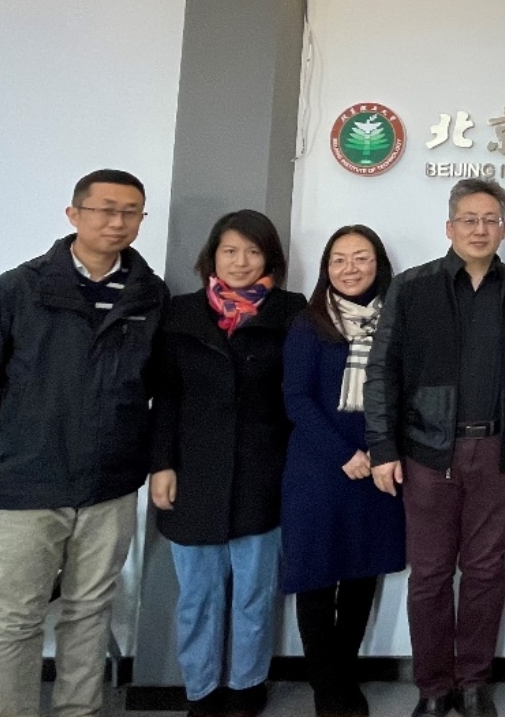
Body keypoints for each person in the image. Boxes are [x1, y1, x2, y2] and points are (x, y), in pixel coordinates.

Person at [0, 169, 169, 717]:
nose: (118, 222)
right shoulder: (16, 288)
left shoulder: (150, 294)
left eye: (131, 212)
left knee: (89, 611)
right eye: (106, 209)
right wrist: (17, 442)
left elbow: (156, 384)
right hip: (26, 483)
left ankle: (79, 711)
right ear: (74, 214)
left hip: (109, 481)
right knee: (16, 619)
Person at [365, 178, 505, 717]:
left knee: (486, 571)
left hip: (498, 452)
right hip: (426, 451)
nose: (479, 229)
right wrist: (382, 446)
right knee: (430, 575)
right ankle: (434, 688)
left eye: (490, 220)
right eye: (469, 219)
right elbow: (382, 369)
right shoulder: (413, 287)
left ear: (503, 229)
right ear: (449, 227)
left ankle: (474, 683)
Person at [148, 209, 304, 716]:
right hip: (192, 474)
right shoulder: (181, 313)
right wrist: (161, 463)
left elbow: (298, 396)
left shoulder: (291, 312)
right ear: (212, 256)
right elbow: (165, 396)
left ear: (270, 259)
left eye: (253, 251)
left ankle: (247, 684)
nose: (240, 262)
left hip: (262, 471)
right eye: (230, 251)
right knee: (198, 594)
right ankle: (201, 689)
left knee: (255, 592)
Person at [281, 225, 408, 717]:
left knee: (360, 574)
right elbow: (297, 399)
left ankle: (344, 675)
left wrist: (382, 451)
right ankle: (326, 687)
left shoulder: (397, 320)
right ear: (326, 268)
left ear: (379, 264)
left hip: (380, 465)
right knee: (315, 576)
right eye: (339, 259)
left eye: (361, 258)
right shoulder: (309, 323)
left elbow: (406, 391)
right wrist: (345, 454)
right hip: (318, 468)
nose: (349, 268)